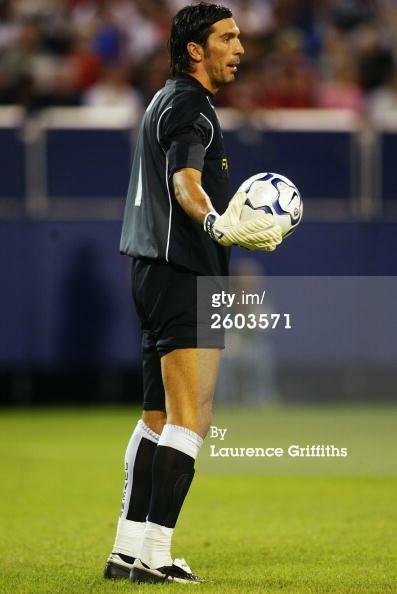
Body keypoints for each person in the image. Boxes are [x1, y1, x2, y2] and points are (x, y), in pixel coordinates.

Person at [104, 2, 282, 585]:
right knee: (191, 419)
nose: (240, 48)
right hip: (185, 272)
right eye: (227, 38)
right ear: (196, 50)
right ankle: (156, 553)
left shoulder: (164, 98)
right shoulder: (190, 106)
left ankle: (128, 547)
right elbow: (187, 183)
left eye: (240, 38)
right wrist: (215, 224)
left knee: (156, 417)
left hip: (152, 272)